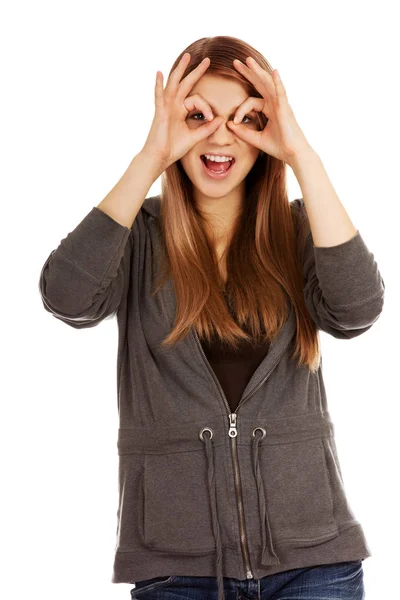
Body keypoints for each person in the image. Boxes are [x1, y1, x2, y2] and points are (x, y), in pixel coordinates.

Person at [39, 35, 385, 600]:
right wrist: (150, 156)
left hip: (314, 562)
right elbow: (66, 297)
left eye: (245, 118)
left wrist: (303, 157)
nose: (220, 135)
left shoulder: (298, 230)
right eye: (197, 116)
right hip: (177, 567)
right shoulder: (139, 237)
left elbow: (357, 310)